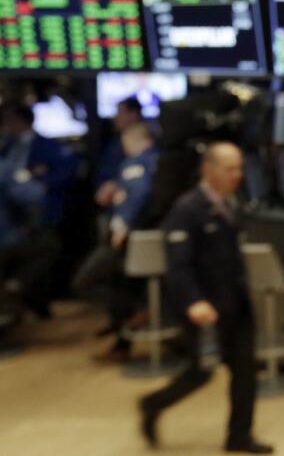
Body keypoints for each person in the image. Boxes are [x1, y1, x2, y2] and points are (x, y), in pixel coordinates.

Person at [138, 142, 272, 454]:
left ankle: (239, 436)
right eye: (230, 169)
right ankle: (152, 404)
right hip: (205, 309)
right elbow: (178, 265)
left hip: (236, 304)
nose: (237, 176)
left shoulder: (230, 203)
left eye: (239, 168)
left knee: (245, 373)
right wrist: (193, 301)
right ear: (208, 170)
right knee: (200, 373)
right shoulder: (186, 210)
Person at [75, 122, 159, 363]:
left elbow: (138, 193)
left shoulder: (135, 164)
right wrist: (116, 187)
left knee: (84, 282)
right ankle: (123, 338)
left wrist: (122, 226)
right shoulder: (158, 160)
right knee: (123, 287)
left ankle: (134, 311)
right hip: (146, 241)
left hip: (126, 241)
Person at [0, 104, 74, 317]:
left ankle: (33, 303)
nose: (7, 125)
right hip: (13, 222)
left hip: (36, 214)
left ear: (25, 121)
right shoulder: (6, 148)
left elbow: (67, 169)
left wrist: (43, 183)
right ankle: (14, 299)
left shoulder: (47, 145)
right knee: (42, 249)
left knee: (46, 247)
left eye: (11, 120)